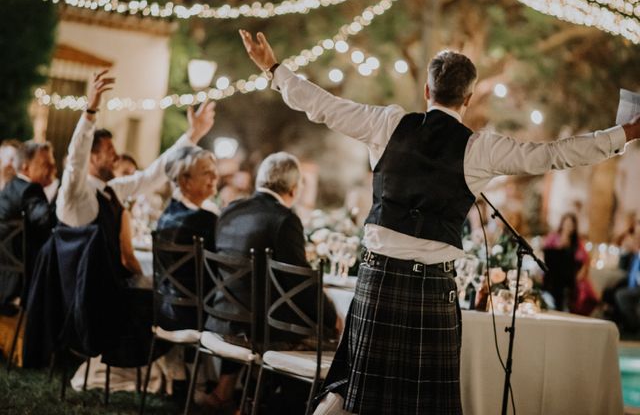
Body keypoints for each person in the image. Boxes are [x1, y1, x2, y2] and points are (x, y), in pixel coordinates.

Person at [239, 29, 640, 415]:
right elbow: (555, 154)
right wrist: (624, 132)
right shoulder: (481, 150)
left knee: (362, 400)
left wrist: (274, 70)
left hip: (377, 280)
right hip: (433, 287)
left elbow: (322, 104)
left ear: (427, 91)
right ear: (467, 98)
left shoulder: (387, 123)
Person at [205, 151, 339, 413]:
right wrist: (332, 315)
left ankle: (236, 395)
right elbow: (299, 284)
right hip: (258, 332)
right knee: (335, 340)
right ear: (293, 187)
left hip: (220, 322)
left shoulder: (230, 210)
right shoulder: (284, 219)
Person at [56, 70, 215, 280]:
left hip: (105, 284)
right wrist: (90, 110)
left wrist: (193, 135)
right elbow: (76, 157)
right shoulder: (74, 192)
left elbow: (151, 176)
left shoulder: (112, 190)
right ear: (92, 157)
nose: (116, 156)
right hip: (75, 285)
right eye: (109, 151)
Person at [155, 145, 219, 329]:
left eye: (214, 172)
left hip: (165, 308)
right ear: (185, 182)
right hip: (196, 315)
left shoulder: (167, 213)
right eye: (207, 172)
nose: (214, 177)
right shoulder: (205, 220)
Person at [0, 141, 56, 306]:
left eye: (53, 164)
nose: (52, 168)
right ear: (25, 167)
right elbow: (46, 219)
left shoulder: (9, 187)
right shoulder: (30, 190)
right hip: (22, 284)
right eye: (46, 164)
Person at [542, 213, 597, 314]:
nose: (568, 227)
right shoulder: (553, 238)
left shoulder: (577, 243)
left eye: (570, 225)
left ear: (574, 227)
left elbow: (585, 260)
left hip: (571, 276)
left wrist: (580, 273)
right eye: (566, 224)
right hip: (554, 275)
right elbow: (546, 255)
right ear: (562, 224)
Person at [613, 215, 640, 335]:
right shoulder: (633, 253)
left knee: (621, 295)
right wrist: (625, 250)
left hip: (638, 286)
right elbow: (621, 267)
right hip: (631, 284)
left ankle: (634, 328)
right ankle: (618, 326)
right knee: (610, 291)